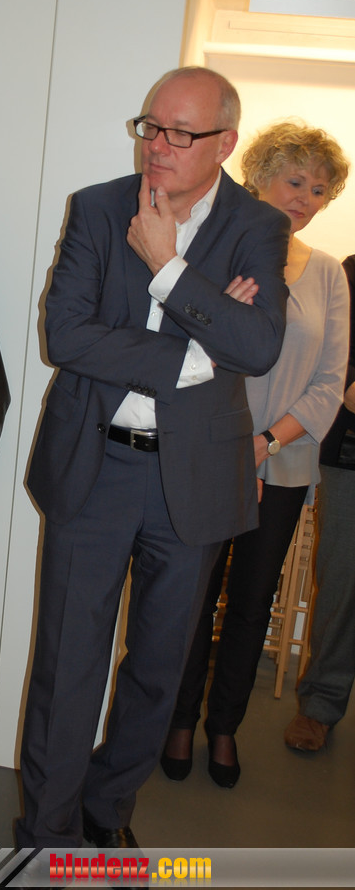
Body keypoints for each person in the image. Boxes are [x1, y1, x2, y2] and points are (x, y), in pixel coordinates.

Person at [15, 66, 290, 850]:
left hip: (192, 481)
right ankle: (45, 834)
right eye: (150, 127)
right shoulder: (98, 207)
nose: (157, 146)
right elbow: (65, 335)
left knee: (158, 668)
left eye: (180, 134)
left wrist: (168, 268)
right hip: (94, 468)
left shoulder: (258, 226)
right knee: (68, 663)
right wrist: (195, 354)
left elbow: (256, 346)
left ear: (224, 144)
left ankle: (106, 810)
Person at [162, 121, 349, 788]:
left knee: (251, 600)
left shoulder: (328, 274)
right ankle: (177, 719)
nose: (304, 198)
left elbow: (330, 382)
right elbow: (186, 351)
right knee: (192, 593)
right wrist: (234, 444)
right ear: (260, 176)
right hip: (210, 454)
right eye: (294, 181)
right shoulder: (215, 253)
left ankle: (223, 727)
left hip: (284, 461)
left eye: (319, 190)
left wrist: (265, 444)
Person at [284, 253, 355, 752]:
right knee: (342, 587)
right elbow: (333, 362)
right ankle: (320, 706)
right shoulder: (349, 274)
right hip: (349, 459)